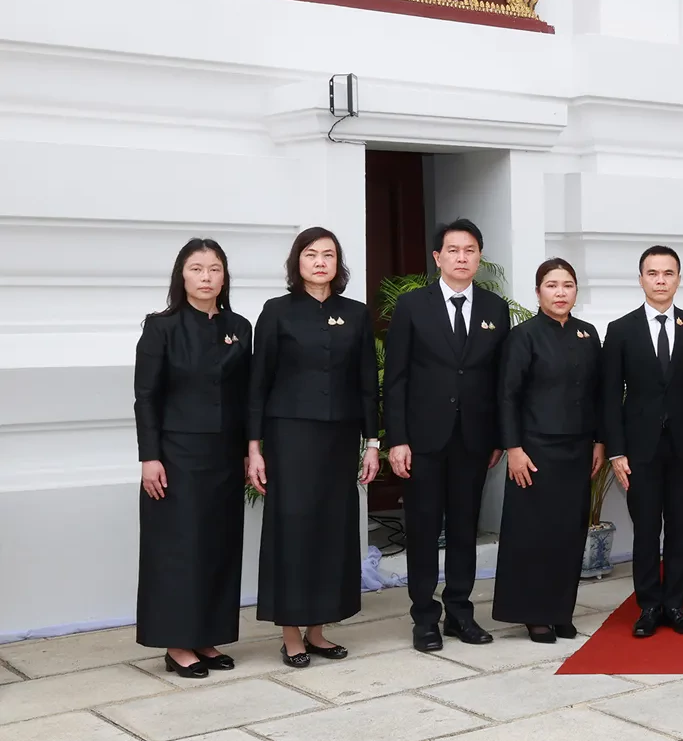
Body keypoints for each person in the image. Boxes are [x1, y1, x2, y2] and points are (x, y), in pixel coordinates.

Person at [248, 228, 380, 666]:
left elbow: (367, 384)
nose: (320, 262)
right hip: (289, 437)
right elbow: (258, 383)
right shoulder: (277, 312)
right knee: (294, 529)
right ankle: (290, 634)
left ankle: (320, 630)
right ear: (297, 262)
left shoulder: (356, 314)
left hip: (341, 438)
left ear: (338, 264)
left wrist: (373, 442)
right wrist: (254, 447)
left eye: (328, 255)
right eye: (311, 254)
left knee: (332, 531)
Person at [384, 219, 510, 653]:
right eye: (453, 250)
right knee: (421, 529)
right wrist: (396, 438)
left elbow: (500, 381)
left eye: (470, 250)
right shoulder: (412, 305)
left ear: (479, 257)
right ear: (437, 258)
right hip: (422, 440)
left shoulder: (495, 308)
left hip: (474, 440)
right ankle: (424, 617)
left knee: (463, 529)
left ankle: (459, 610)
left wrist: (498, 436)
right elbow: (395, 378)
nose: (462, 257)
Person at [133, 239, 252, 677]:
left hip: (224, 454)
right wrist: (151, 457)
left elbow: (244, 395)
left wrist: (247, 450)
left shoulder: (240, 326)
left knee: (218, 546)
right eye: (197, 268)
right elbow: (146, 397)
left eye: (214, 269)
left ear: (224, 277)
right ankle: (177, 643)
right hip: (176, 456)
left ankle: (207, 636)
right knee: (178, 549)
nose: (206, 277)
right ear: (181, 276)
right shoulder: (161, 327)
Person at [604, 245, 683, 639]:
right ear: (641, 280)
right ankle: (649, 606)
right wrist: (616, 451)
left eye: (668, 273)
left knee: (681, 528)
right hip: (640, 450)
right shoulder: (620, 330)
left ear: (678, 279)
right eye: (653, 273)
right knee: (647, 529)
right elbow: (609, 395)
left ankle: (676, 606)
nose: (661, 280)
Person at [495, 259, 604, 643]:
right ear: (538, 291)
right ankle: (533, 614)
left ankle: (560, 612)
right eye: (552, 285)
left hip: (578, 450)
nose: (560, 292)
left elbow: (599, 395)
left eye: (568, 285)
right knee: (533, 535)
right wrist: (514, 448)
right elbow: (507, 396)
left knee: (568, 534)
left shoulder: (588, 334)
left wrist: (600, 442)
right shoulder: (523, 336)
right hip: (535, 452)